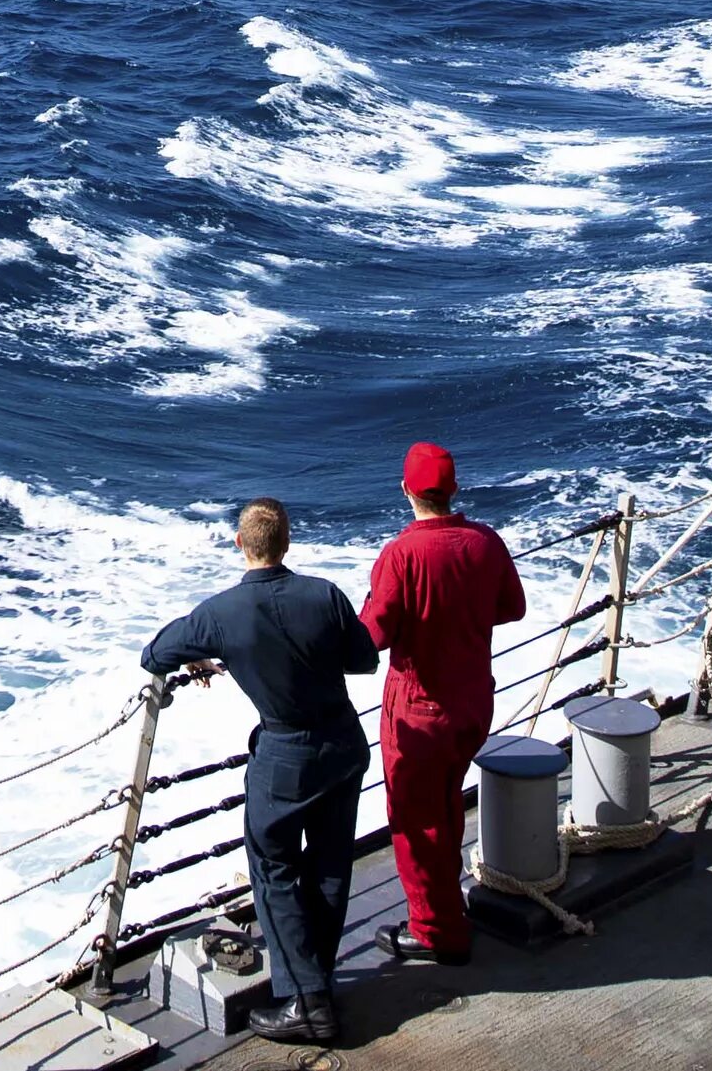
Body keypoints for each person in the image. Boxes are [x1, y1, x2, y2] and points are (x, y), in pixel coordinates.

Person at [142, 497, 377, 1046]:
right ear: (286, 543)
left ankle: (308, 1002)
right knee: (330, 866)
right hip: (344, 743)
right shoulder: (324, 594)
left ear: (239, 545)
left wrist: (202, 656)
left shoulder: (221, 614)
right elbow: (364, 660)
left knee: (274, 872)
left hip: (286, 756)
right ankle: (316, 982)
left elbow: (155, 653)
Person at [359, 441, 526, 965]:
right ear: (453, 489)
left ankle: (436, 931)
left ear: (406, 490)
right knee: (448, 803)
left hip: (421, 707)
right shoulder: (485, 543)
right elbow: (512, 608)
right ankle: (446, 907)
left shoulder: (402, 554)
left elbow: (375, 636)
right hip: (474, 698)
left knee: (416, 820)